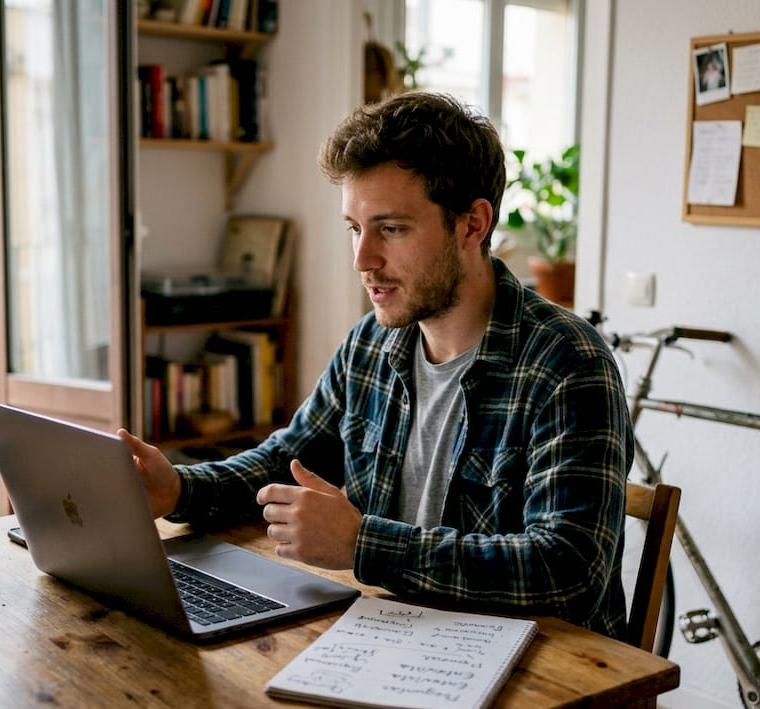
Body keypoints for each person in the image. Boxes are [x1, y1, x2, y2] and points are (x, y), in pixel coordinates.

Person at [119, 92, 634, 638]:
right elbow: (284, 463)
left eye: (391, 229)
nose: (362, 260)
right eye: (354, 228)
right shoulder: (371, 343)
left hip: (543, 670)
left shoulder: (567, 363)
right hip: (391, 635)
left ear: (472, 224)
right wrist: (178, 489)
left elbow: (569, 570)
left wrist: (362, 544)